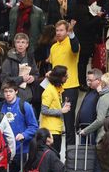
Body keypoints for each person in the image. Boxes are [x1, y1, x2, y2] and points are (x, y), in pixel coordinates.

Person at [0, 81, 38, 172]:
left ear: (16, 91)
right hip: (4, 150)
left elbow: (33, 126)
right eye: (5, 91)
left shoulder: (25, 106)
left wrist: (24, 135)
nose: (8, 94)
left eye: (10, 91)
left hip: (21, 149)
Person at [48, 19, 80, 147]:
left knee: (68, 121)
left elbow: (75, 47)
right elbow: (53, 65)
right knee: (55, 120)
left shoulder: (72, 43)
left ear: (67, 31)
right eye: (57, 30)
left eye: (62, 30)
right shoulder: (54, 47)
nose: (59, 33)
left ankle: (70, 153)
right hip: (55, 88)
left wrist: (72, 34)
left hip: (70, 87)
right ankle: (55, 150)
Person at [74, 69, 103, 172]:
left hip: (92, 133)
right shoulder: (90, 92)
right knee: (85, 163)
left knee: (92, 164)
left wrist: (87, 129)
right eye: (88, 80)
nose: (88, 82)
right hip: (84, 132)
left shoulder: (100, 94)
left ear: (99, 80)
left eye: (91, 80)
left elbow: (99, 116)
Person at [71, 0, 104, 90]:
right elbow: (86, 25)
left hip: (80, 37)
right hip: (84, 39)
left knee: (81, 62)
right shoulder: (83, 8)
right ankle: (82, 83)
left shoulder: (76, 6)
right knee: (83, 62)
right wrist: (97, 17)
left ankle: (81, 82)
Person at [0, 33, 39, 102]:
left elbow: (36, 74)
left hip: (27, 96)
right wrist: (21, 78)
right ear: (15, 44)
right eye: (18, 42)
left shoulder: (30, 58)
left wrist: (33, 78)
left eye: (23, 42)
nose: (20, 45)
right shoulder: (9, 59)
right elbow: (4, 78)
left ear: (27, 45)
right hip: (11, 96)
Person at [40, 66, 71, 154]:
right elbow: (44, 110)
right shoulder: (49, 91)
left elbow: (54, 106)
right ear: (59, 77)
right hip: (50, 131)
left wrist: (63, 106)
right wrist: (61, 111)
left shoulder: (57, 89)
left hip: (56, 129)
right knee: (53, 157)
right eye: (65, 76)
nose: (67, 77)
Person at [33, 25, 57, 119]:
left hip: (44, 76)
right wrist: (46, 60)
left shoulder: (41, 45)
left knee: (41, 98)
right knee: (43, 97)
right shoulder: (45, 47)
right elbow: (37, 60)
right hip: (44, 76)